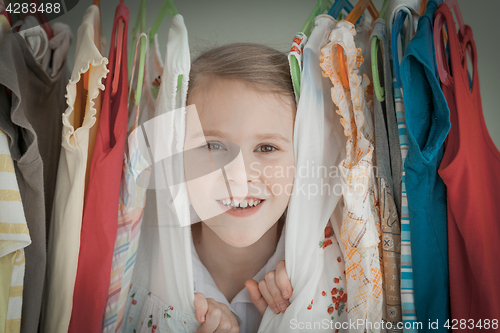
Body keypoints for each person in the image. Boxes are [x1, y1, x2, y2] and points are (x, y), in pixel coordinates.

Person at [184, 43, 297, 333]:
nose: (239, 175)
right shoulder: (142, 268)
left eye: (267, 147)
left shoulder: (328, 278)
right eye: (213, 146)